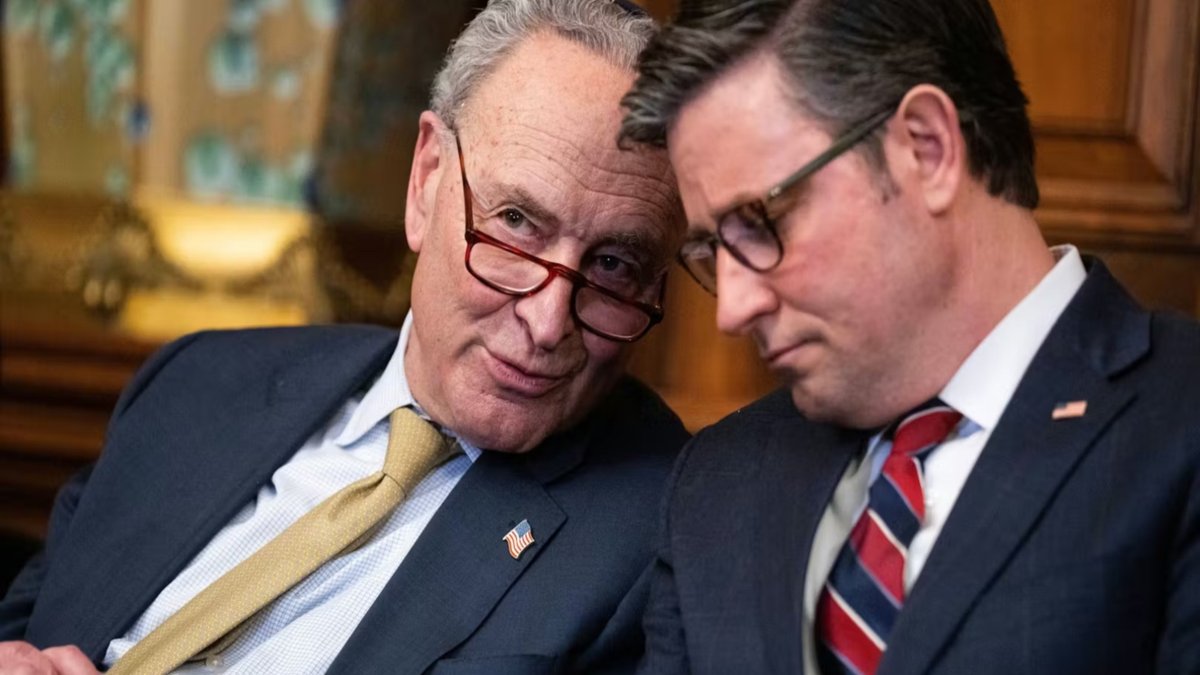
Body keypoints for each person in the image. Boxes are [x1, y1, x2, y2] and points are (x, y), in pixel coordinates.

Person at [0, 1, 688, 672]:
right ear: (425, 182)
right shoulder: (196, 382)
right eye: (515, 223)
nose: (547, 322)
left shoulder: (658, 539)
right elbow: (31, 620)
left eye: (614, 265)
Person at [618, 0, 1200, 673]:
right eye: (713, 249)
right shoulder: (717, 485)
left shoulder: (1178, 421)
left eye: (761, 221)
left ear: (927, 148)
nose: (732, 309)